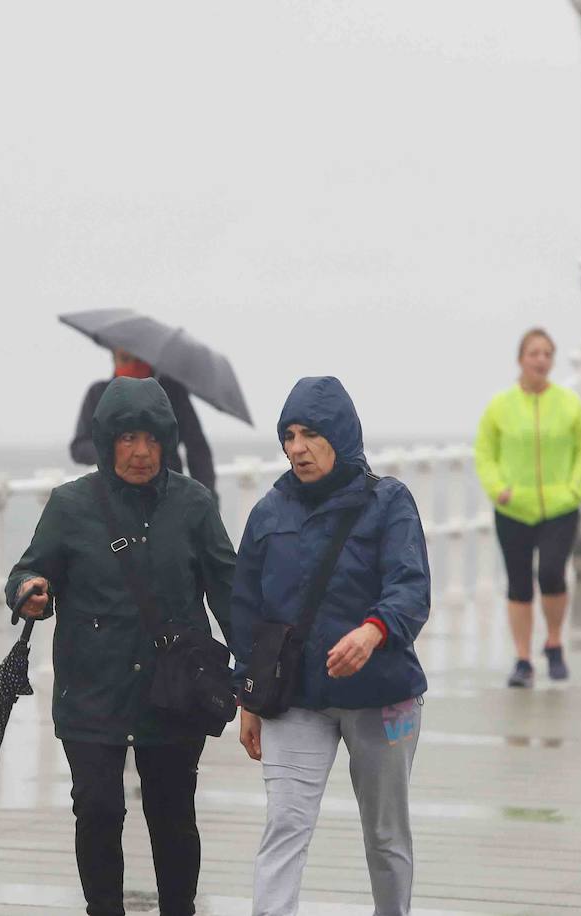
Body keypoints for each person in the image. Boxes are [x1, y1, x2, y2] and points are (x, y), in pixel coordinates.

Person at [8, 376, 235, 916]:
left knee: (173, 812)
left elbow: (230, 590)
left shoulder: (193, 504)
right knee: (98, 807)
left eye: (152, 439)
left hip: (174, 689)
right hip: (93, 687)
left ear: (167, 441)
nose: (140, 452)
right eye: (128, 438)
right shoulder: (70, 505)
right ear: (107, 441)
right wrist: (27, 592)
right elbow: (31, 568)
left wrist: (257, 673)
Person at [232, 376, 430, 916]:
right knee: (284, 827)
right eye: (288, 436)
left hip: (383, 696)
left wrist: (373, 631)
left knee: (386, 835)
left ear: (339, 435)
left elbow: (411, 587)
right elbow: (245, 607)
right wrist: (246, 693)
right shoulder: (269, 512)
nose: (296, 447)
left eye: (309, 434)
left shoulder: (389, 502)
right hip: (296, 698)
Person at [474, 328, 581, 688]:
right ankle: (523, 658)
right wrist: (498, 489)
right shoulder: (500, 405)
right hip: (514, 507)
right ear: (521, 359)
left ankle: (555, 641)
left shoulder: (569, 403)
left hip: (560, 506)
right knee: (518, 584)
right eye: (534, 353)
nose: (541, 360)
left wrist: (575, 489)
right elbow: (484, 451)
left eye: (547, 354)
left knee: (551, 574)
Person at [71, 348, 216, 493]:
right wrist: (114, 452)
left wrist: (206, 496)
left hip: (165, 493)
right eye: (125, 359)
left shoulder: (172, 391)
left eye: (139, 359)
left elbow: (197, 447)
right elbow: (79, 447)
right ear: (114, 360)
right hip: (114, 495)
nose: (133, 365)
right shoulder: (98, 393)